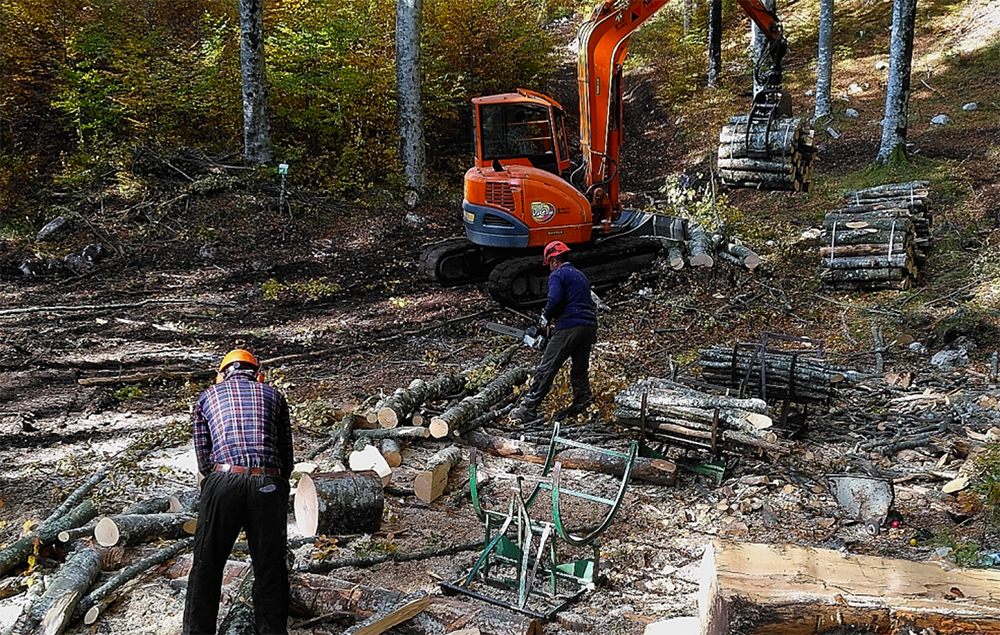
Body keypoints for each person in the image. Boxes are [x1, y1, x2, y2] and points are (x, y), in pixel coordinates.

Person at [183, 349, 293, 635]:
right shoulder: (274, 395)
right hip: (267, 482)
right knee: (270, 570)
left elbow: (204, 461)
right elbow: (286, 457)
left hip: (224, 480)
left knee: (206, 566)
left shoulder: (207, 397)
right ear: (258, 374)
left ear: (221, 375)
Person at [510, 241, 597, 423]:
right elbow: (586, 303)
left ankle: (528, 409)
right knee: (579, 370)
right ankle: (583, 404)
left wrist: (546, 317)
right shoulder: (581, 276)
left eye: (550, 263)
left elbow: (555, 299)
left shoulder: (558, 275)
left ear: (555, 260)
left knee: (546, 369)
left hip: (569, 327)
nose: (550, 268)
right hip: (587, 326)